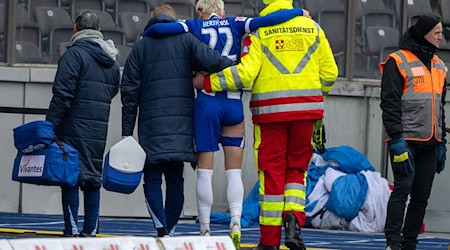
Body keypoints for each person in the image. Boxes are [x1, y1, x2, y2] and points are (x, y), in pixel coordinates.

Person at [142, 1, 309, 247]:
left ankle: (205, 228)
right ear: (221, 10)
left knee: (205, 171)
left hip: (207, 103)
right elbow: (268, 20)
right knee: (233, 172)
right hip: (233, 103)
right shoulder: (236, 22)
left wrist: (147, 31)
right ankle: (236, 223)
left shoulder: (194, 25)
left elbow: (160, 30)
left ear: (201, 10)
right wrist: (298, 12)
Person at [193, 0, 338, 248]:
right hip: (307, 113)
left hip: (271, 115)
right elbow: (330, 73)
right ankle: (293, 223)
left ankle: (269, 241)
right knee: (296, 173)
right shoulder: (313, 27)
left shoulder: (258, 32)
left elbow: (245, 74)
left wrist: (208, 83)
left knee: (272, 175)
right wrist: (313, 97)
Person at [120, 3, 234, 238]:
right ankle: (170, 229)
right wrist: (237, 64)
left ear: (153, 20)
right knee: (176, 178)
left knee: (151, 178)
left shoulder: (141, 47)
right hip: (181, 124)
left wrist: (127, 132)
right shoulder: (187, 40)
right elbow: (212, 61)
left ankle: (160, 227)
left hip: (151, 126)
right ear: (175, 20)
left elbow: (129, 91)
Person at [46, 11, 120, 237]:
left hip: (71, 125)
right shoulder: (111, 61)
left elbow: (62, 94)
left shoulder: (73, 55)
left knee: (70, 178)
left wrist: (50, 125)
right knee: (92, 179)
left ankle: (71, 229)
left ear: (76, 29)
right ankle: (91, 232)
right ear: (98, 30)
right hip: (98, 126)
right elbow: (112, 91)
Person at [380, 15, 447, 250]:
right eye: (437, 32)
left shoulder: (439, 65)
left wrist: (442, 142)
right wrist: (396, 139)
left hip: (430, 141)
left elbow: (440, 106)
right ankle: (393, 242)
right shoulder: (397, 61)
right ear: (424, 32)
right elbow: (389, 103)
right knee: (402, 189)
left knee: (421, 196)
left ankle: (409, 243)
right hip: (405, 140)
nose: (441, 36)